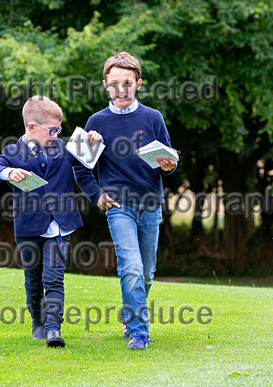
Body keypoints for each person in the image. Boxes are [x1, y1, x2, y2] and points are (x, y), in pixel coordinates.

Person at [0, 96, 103, 347]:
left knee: (53, 277)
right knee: (33, 279)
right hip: (28, 228)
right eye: (52, 130)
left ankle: (52, 329)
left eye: (59, 129)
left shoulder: (64, 147)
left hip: (60, 226)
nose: (56, 134)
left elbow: (90, 152)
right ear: (31, 128)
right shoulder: (12, 152)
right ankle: (38, 322)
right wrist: (8, 173)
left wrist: (94, 139)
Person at [81, 51, 177, 350]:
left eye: (127, 83)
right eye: (114, 84)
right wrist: (96, 194)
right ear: (105, 85)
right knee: (131, 268)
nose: (120, 90)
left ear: (137, 84)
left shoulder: (153, 118)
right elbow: (80, 166)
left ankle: (129, 311)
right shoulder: (96, 122)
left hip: (150, 204)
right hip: (118, 206)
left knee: (146, 272)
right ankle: (139, 333)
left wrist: (170, 165)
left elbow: (169, 160)